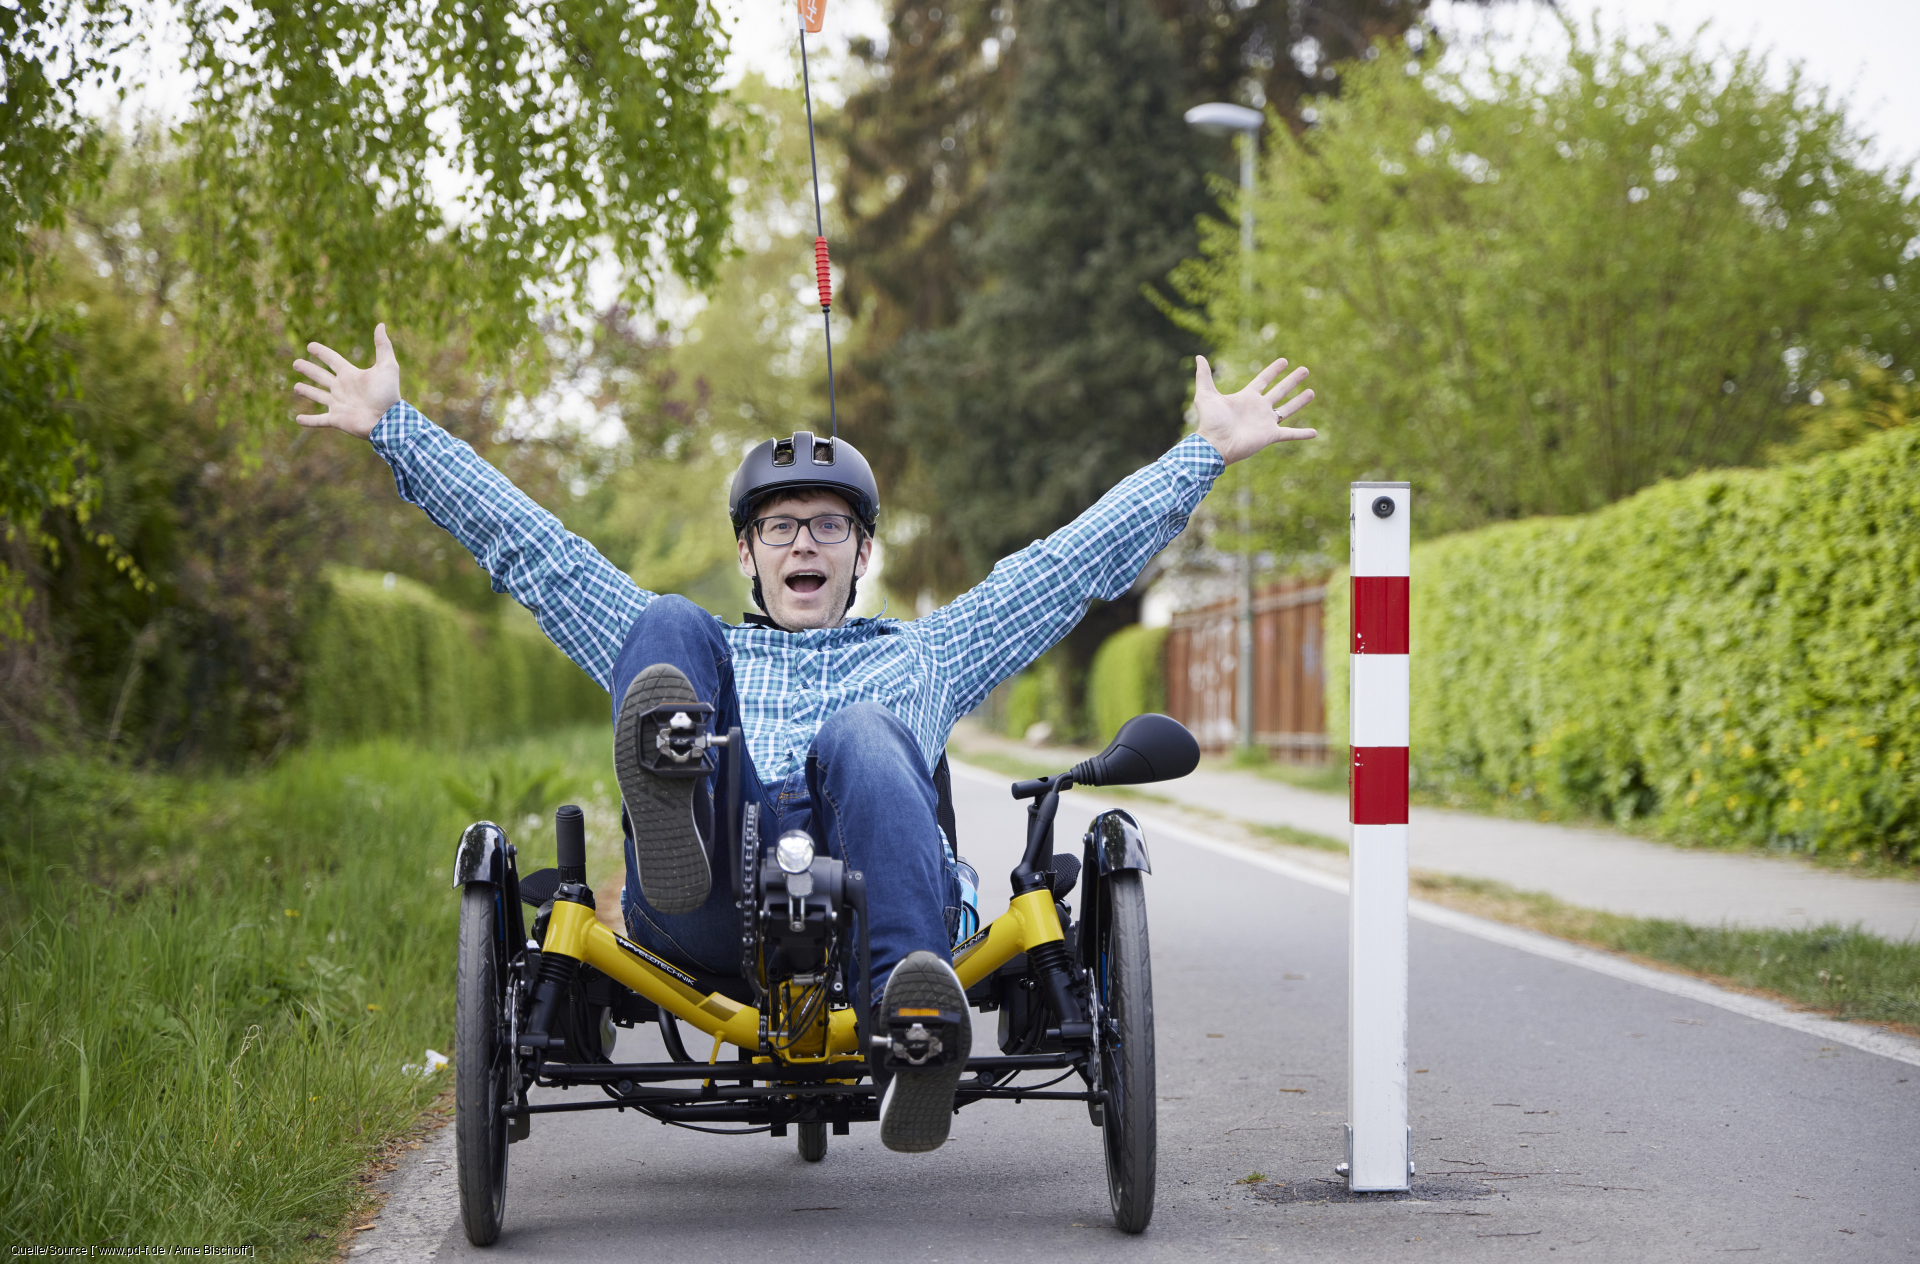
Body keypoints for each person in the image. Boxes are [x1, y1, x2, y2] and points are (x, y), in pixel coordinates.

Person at [291, 323, 1316, 1152]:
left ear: (862, 551)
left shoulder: (926, 655)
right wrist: (397, 429)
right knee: (660, 624)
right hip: (708, 897)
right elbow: (538, 553)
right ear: (748, 550)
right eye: (780, 527)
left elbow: (1062, 567)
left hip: (873, 898)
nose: (804, 543)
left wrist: (1203, 453)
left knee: (867, 730)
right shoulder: (710, 657)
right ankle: (671, 789)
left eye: (828, 525)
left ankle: (915, 1017)